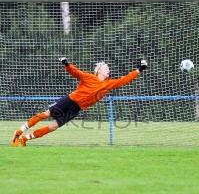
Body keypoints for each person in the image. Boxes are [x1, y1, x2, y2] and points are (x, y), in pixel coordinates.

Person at [11, 58, 147, 147]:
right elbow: (75, 72)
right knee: (45, 114)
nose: (108, 70)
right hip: (69, 100)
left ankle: (25, 139)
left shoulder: (110, 84)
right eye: (106, 68)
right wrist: (66, 64)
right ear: (99, 70)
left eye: (108, 69)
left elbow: (125, 79)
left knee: (53, 127)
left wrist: (139, 69)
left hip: (76, 108)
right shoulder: (88, 77)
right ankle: (18, 132)